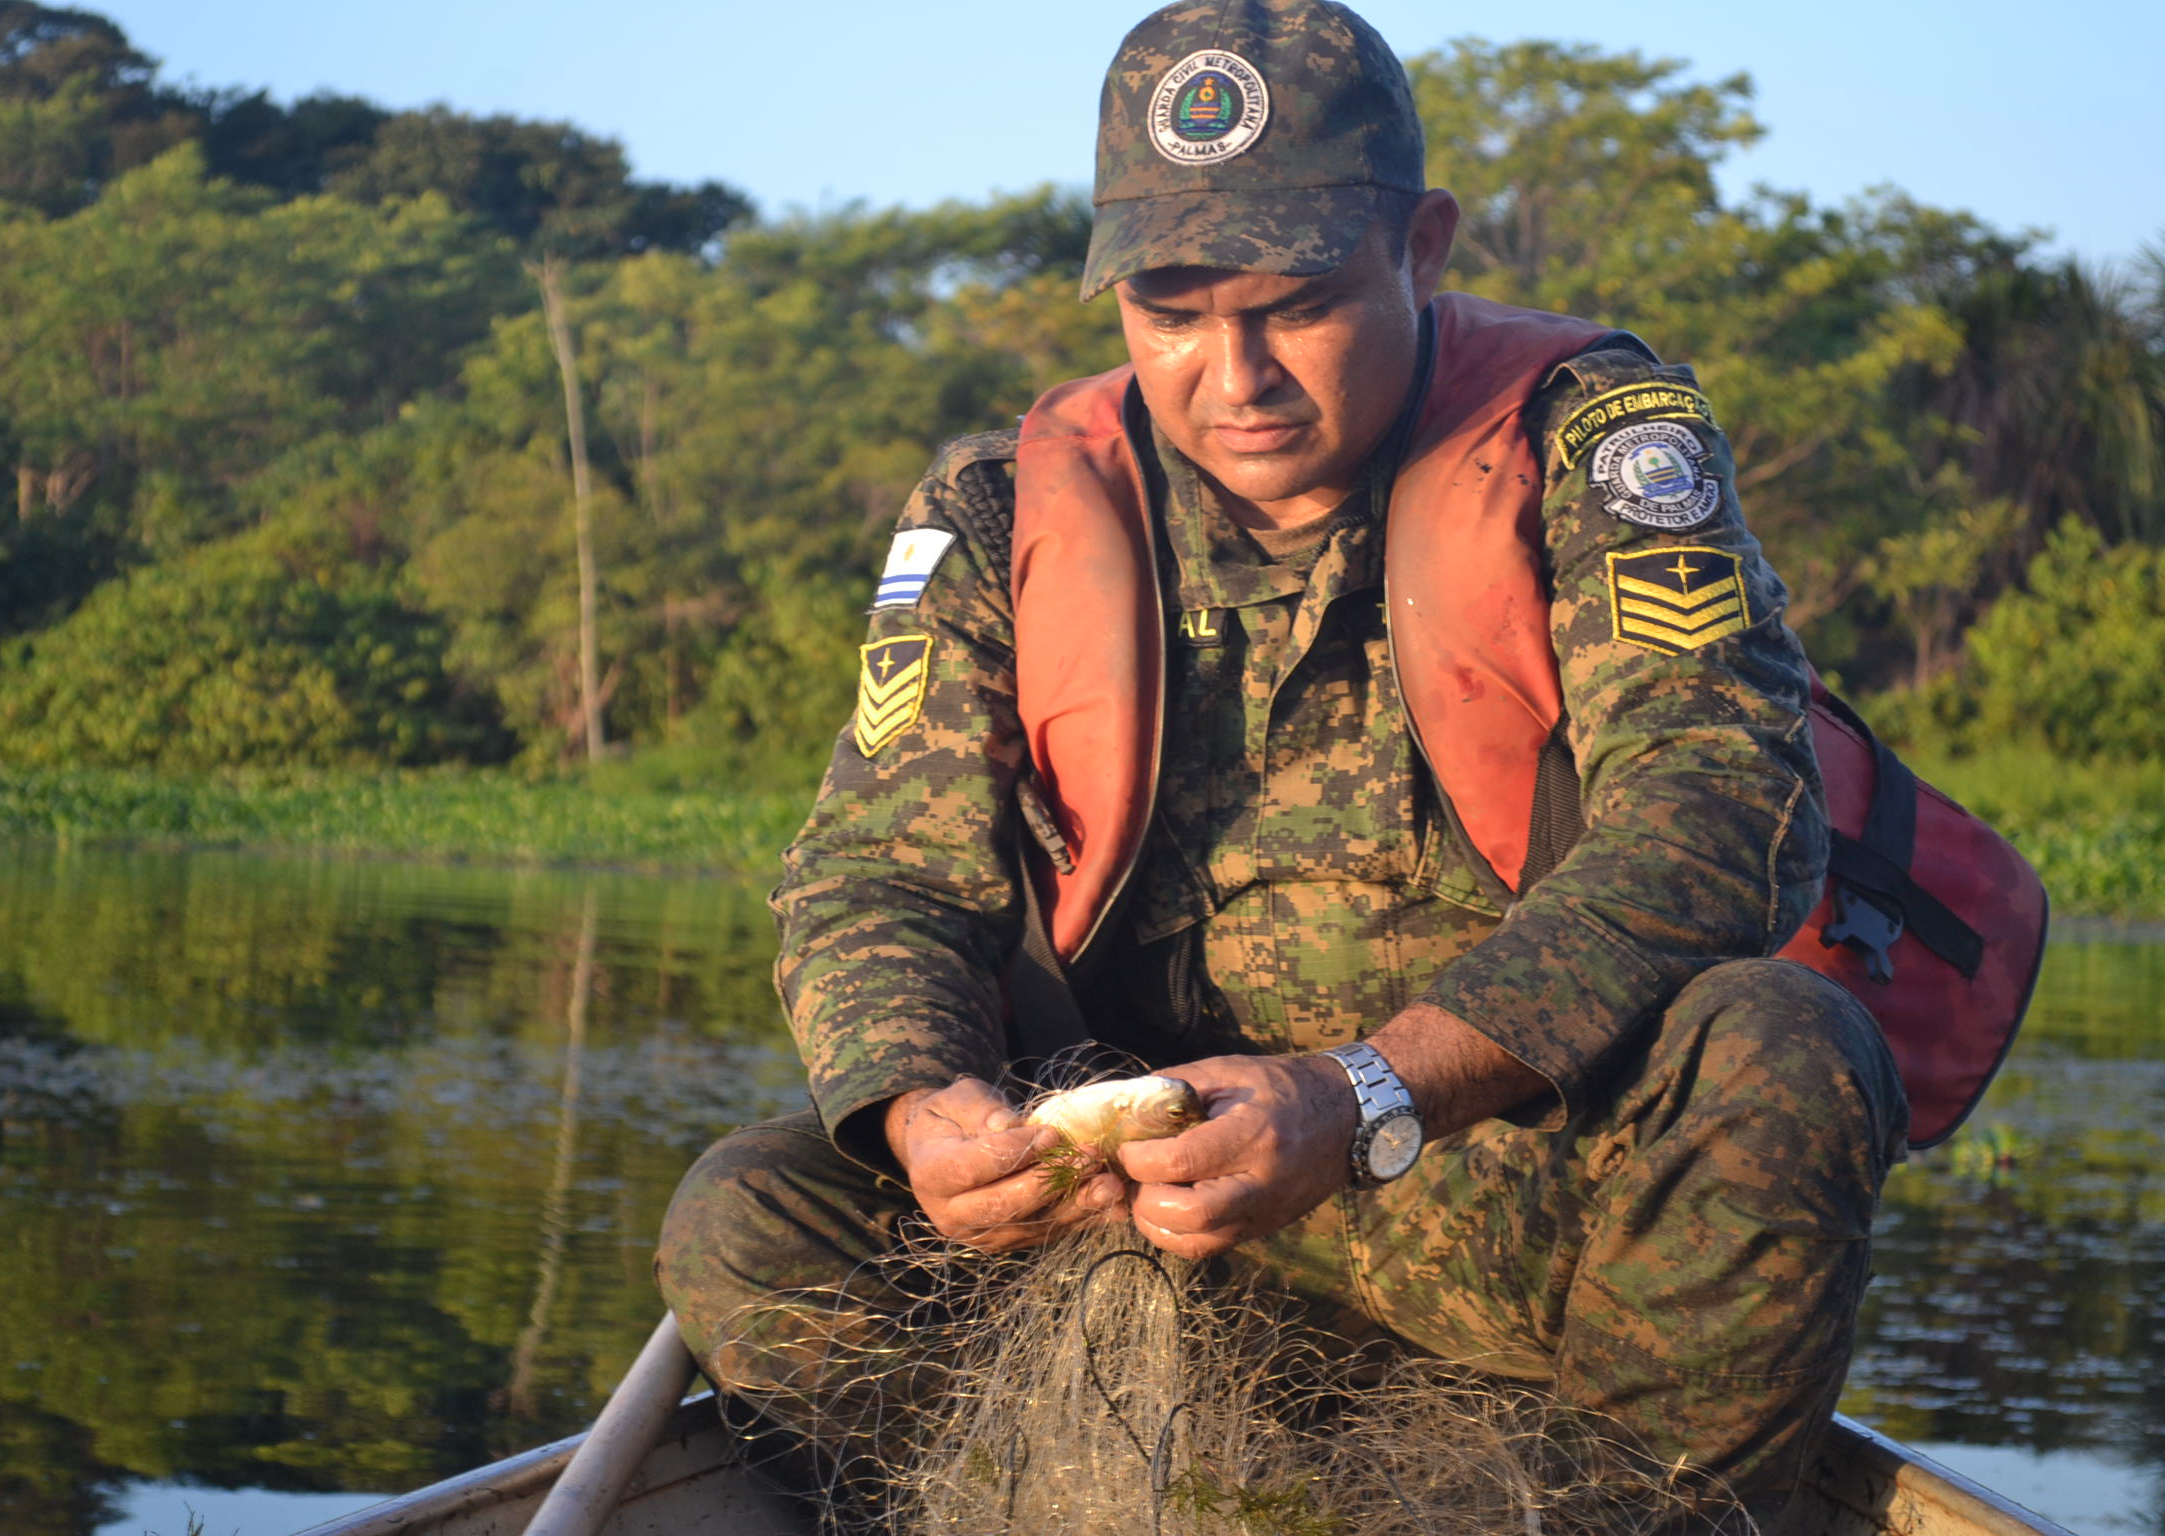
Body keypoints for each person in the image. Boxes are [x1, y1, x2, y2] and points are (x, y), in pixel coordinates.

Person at [659, 1, 1907, 1528]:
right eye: (1171, 309)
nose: (1232, 373)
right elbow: (874, 874)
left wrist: (1361, 1095)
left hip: (1495, 1192)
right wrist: (925, 1107)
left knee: (1782, 1048)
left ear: (1423, 248)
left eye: (1294, 304)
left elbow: (1724, 820)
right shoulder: (996, 507)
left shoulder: (1600, 442)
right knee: (750, 1215)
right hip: (1132, 1232)